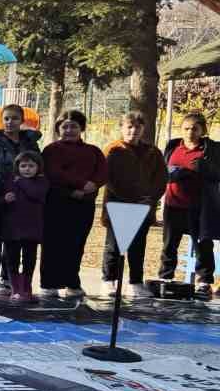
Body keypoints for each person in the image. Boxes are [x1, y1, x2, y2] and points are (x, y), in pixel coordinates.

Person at [40, 110, 107, 299]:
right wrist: (77, 187)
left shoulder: (93, 150)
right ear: (58, 129)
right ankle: (49, 283)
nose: (69, 130)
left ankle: (72, 281)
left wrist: (90, 186)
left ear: (82, 128)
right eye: (65, 127)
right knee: (53, 243)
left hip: (84, 205)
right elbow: (53, 173)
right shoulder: (52, 150)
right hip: (57, 203)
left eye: (74, 126)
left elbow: (101, 172)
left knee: (76, 244)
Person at [101, 112, 165, 297]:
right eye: (129, 126)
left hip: (143, 207)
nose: (133, 130)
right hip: (117, 205)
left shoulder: (153, 152)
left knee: (138, 247)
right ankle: (108, 281)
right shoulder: (113, 150)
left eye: (137, 127)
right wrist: (127, 197)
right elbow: (108, 178)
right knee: (114, 246)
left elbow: (161, 179)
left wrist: (150, 198)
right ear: (121, 128)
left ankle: (135, 282)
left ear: (143, 129)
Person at [160, 111, 216, 297]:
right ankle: (165, 277)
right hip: (173, 203)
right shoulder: (173, 145)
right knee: (169, 244)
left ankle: (204, 282)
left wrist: (205, 169)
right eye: (186, 128)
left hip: (199, 206)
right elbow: (162, 170)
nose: (190, 132)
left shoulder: (212, 149)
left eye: (194, 128)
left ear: (202, 130)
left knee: (203, 246)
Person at [0, 151, 47, 304]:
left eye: (31, 166)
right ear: (17, 167)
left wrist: (20, 182)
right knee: (11, 258)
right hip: (11, 228)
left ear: (38, 167)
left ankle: (27, 288)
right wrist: (4, 199)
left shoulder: (42, 182)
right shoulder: (9, 180)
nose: (27, 169)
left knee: (29, 259)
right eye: (23, 166)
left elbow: (35, 194)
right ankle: (15, 289)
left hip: (31, 228)